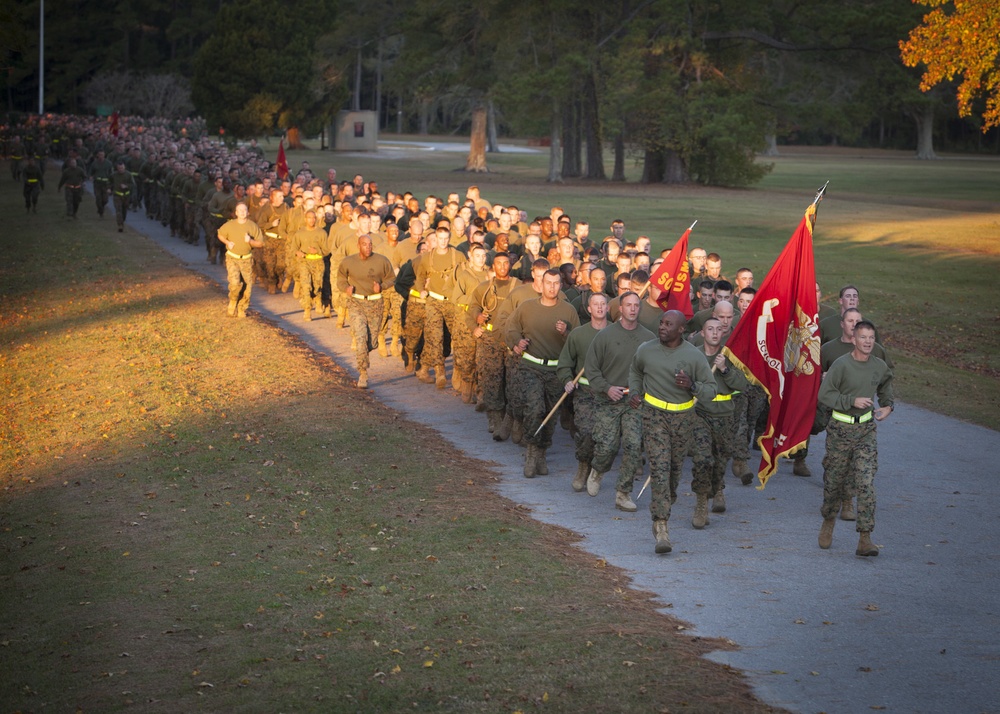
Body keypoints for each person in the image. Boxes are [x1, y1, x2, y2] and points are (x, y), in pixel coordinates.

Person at [628, 310, 717, 554]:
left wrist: (693, 386)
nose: (663, 327)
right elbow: (635, 371)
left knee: (673, 473)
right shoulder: (646, 349)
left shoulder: (693, 355)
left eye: (669, 324)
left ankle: (664, 506)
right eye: (662, 322)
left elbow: (710, 390)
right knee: (659, 469)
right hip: (654, 415)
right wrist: (635, 392)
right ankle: (661, 526)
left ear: (681, 330)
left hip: (683, 418)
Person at [817, 321, 894, 557]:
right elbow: (825, 395)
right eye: (863, 337)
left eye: (871, 337)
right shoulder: (842, 365)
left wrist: (888, 406)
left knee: (865, 482)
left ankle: (865, 538)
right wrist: (851, 401)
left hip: (865, 431)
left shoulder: (878, 366)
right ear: (854, 339)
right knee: (834, 482)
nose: (868, 342)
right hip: (840, 429)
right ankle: (829, 519)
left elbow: (886, 382)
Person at [506, 269, 580, 478]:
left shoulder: (568, 311)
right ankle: (531, 452)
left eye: (556, 283)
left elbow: (578, 342)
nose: (552, 287)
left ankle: (542, 452)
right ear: (541, 284)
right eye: (548, 283)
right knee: (534, 408)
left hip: (556, 370)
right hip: (531, 366)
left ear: (561, 285)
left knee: (550, 414)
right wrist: (516, 343)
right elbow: (511, 328)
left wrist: (566, 332)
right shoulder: (527, 307)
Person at [584, 292, 655, 511]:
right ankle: (597, 470)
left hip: (634, 401)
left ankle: (623, 493)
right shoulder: (605, 336)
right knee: (607, 446)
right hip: (609, 399)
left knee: (634, 446)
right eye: (628, 305)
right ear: (620, 309)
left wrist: (641, 393)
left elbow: (653, 371)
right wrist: (606, 388)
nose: (632, 309)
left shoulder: (649, 338)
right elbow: (591, 369)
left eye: (636, 305)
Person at [694, 317, 748, 517]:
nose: (715, 333)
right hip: (701, 414)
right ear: (702, 332)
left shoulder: (730, 356)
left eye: (718, 329)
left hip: (725, 414)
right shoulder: (694, 356)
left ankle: (717, 490)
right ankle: (700, 503)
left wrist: (725, 369)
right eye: (710, 329)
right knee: (702, 458)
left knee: (719, 460)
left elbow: (742, 385)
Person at [557, 292, 609, 492]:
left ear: (607, 308)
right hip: (586, 392)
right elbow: (564, 363)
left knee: (606, 439)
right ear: (589, 309)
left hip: (609, 394)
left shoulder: (615, 332)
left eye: (603, 304)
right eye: (595, 304)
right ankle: (583, 467)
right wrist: (567, 380)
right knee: (586, 433)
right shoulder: (578, 334)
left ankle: (597, 472)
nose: (599, 308)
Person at [467, 252, 521, 438]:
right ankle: (494, 418)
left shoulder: (518, 287)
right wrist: (477, 319)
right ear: (493, 266)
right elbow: (472, 306)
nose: (503, 267)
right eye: (499, 263)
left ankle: (511, 419)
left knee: (512, 380)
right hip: (490, 337)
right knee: (492, 379)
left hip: (511, 338)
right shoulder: (485, 288)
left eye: (506, 263)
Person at [338, 235, 396, 389]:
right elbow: (341, 279)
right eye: (364, 244)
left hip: (375, 303)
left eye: (370, 244)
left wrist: (382, 287)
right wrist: (346, 288)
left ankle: (366, 351)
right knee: (361, 335)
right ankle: (363, 373)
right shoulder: (348, 261)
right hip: (356, 302)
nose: (368, 247)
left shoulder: (381, 261)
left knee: (372, 342)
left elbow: (392, 278)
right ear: (358, 245)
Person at [414, 227, 468, 388]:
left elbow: (465, 276)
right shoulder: (426, 257)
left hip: (452, 301)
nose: (443, 242)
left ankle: (424, 368)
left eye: (446, 238)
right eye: (440, 238)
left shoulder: (457, 256)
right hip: (434, 301)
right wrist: (421, 290)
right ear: (435, 239)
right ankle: (440, 372)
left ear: (449, 238)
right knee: (435, 336)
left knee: (456, 336)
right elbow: (420, 276)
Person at [217, 202, 264, 318]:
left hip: (247, 259)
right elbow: (220, 234)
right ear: (236, 213)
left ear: (248, 212)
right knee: (235, 284)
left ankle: (242, 308)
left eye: (244, 210)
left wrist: (250, 241)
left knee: (247, 287)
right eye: (240, 210)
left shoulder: (252, 226)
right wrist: (227, 242)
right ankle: (233, 301)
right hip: (232, 257)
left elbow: (261, 243)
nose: (242, 212)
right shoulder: (230, 225)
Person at [289, 209, 330, 321]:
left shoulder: (321, 233)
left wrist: (317, 251)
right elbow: (293, 249)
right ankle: (307, 311)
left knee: (317, 286)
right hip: (304, 262)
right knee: (306, 286)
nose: (311, 220)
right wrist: (298, 253)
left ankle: (317, 299)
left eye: (313, 218)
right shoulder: (300, 233)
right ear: (305, 219)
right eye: (309, 218)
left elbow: (327, 250)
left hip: (318, 262)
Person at [110, 160, 134, 232]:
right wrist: (108, 188)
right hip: (117, 195)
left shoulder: (128, 175)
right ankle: (120, 225)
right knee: (118, 210)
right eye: (119, 168)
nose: (120, 169)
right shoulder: (113, 175)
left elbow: (133, 185)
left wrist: (126, 186)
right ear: (117, 168)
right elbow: (109, 182)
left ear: (124, 167)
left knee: (124, 210)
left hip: (126, 196)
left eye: (122, 168)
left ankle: (122, 221)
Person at [89, 150, 114, 218]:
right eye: (99, 155)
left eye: (102, 155)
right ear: (97, 155)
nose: (101, 156)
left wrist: (111, 184)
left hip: (106, 183)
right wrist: (91, 176)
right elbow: (91, 171)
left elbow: (111, 174)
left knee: (105, 199)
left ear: (104, 155)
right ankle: (101, 212)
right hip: (97, 183)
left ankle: (102, 207)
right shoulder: (94, 163)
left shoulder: (108, 163)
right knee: (98, 198)